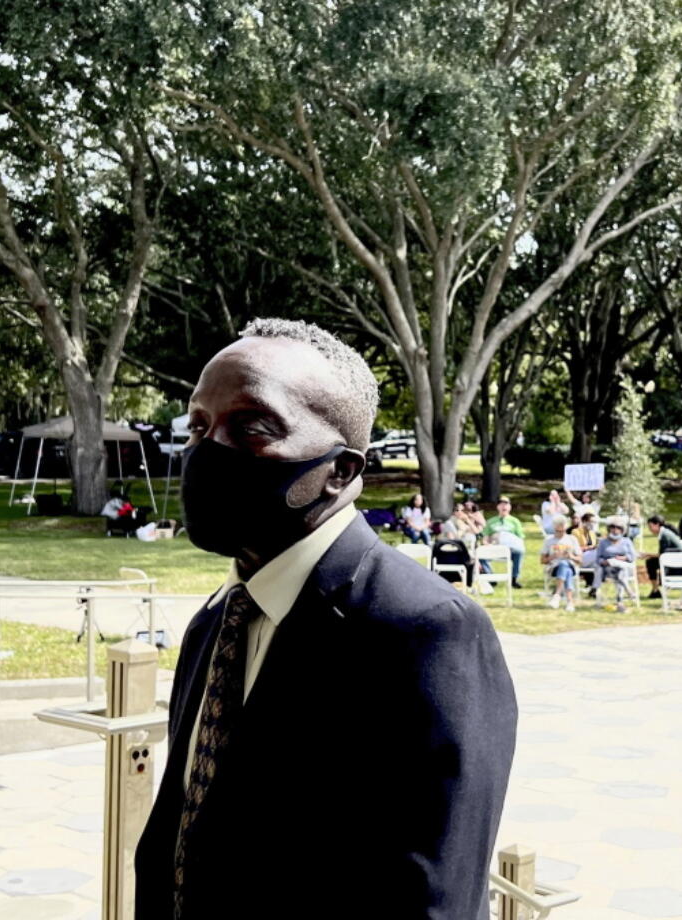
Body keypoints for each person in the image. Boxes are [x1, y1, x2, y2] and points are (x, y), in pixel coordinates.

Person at [135, 318, 516, 920]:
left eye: (251, 426)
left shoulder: (426, 631)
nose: (209, 451)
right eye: (198, 427)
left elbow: (432, 898)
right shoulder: (215, 620)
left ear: (341, 470)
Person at [591, 517, 637, 613]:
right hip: (608, 568)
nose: (615, 530)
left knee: (621, 570)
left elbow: (632, 556)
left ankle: (620, 600)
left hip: (624, 565)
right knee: (618, 572)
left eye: (618, 528)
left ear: (622, 530)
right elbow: (598, 558)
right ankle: (626, 595)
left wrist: (623, 558)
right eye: (613, 527)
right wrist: (605, 561)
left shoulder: (627, 541)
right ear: (609, 529)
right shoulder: (603, 542)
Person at [481, 495, 527, 588]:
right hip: (495, 547)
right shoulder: (491, 521)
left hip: (510, 548)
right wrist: (487, 544)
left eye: (506, 504)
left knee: (520, 552)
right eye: (501, 504)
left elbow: (520, 538)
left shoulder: (515, 522)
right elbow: (485, 538)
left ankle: (514, 578)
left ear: (510, 507)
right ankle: (491, 578)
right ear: (498, 507)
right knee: (480, 555)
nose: (504, 507)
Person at [539, 514, 581, 612]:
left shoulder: (572, 539)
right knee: (565, 569)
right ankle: (570, 601)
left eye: (562, 531)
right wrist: (553, 556)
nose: (560, 533)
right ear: (554, 529)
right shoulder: (549, 540)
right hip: (554, 567)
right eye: (557, 531)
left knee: (565, 565)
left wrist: (571, 556)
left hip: (571, 565)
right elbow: (542, 560)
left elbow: (580, 559)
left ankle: (557, 595)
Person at [643, 514, 682, 600]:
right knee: (651, 562)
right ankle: (655, 590)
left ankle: (655, 590)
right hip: (674, 558)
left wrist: (646, 554)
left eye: (650, 526)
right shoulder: (663, 533)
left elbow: (662, 555)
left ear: (657, 525)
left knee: (650, 562)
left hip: (678, 562)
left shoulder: (665, 535)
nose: (649, 529)